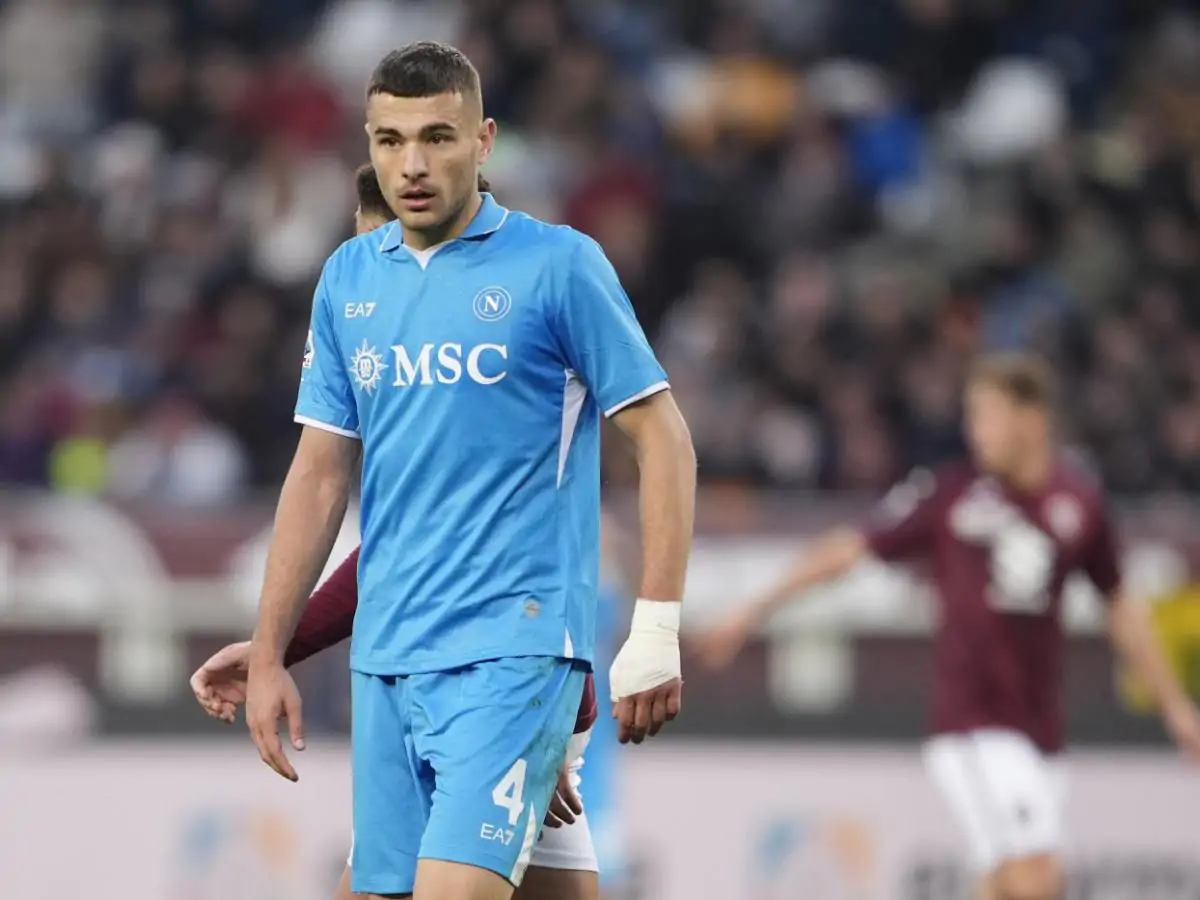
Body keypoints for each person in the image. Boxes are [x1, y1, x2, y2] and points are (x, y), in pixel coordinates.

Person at [245, 41, 696, 900]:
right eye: (390, 140)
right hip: (390, 662)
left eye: (438, 137)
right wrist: (271, 651)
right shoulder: (349, 278)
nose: (412, 164)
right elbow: (320, 476)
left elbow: (664, 438)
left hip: (512, 654)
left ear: (483, 141)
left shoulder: (558, 265)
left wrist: (655, 628)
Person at [191, 162, 608, 900]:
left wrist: (536, 722)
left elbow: (526, 551)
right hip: (455, 688)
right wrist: (275, 647)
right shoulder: (400, 344)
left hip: (498, 688)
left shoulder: (495, 349)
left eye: (385, 251)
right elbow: (407, 551)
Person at [695, 353, 1200, 900]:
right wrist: (752, 610)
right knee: (1037, 878)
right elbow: (848, 548)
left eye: (987, 415)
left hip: (1040, 729)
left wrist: (1175, 704)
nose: (975, 431)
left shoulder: (1079, 504)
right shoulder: (952, 495)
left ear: (1031, 419)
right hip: (975, 724)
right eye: (972, 415)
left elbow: (1121, 606)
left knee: (1004, 884)